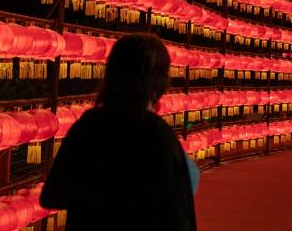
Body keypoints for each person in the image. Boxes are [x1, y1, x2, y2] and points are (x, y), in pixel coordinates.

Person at [41, 33, 197, 231]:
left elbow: (53, 195)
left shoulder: (89, 126)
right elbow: (179, 217)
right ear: (159, 81)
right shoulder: (159, 136)